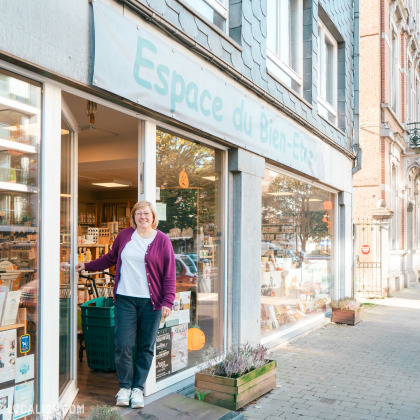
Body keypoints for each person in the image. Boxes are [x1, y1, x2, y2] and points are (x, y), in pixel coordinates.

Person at [75, 200, 176, 409]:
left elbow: (169, 273)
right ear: (134, 216)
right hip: (125, 299)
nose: (143, 217)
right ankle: (125, 387)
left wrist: (168, 300)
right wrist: (86, 265)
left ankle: (138, 388)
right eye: (138, 213)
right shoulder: (124, 236)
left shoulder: (163, 240)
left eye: (146, 213)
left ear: (152, 216)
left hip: (152, 302)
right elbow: (110, 258)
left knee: (145, 347)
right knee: (123, 345)